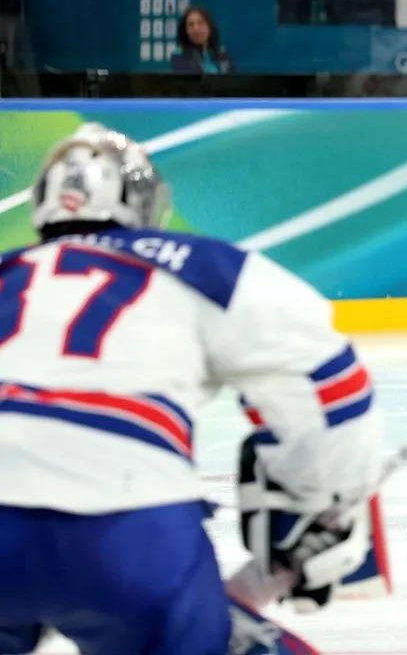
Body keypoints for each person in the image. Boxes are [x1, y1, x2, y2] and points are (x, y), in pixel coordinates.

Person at [0, 124, 383, 653]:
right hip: (125, 524)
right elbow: (328, 379)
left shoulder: (8, 271)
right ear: (143, 202)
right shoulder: (201, 265)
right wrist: (321, 508)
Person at [171, 5, 236, 74]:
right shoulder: (179, 55)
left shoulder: (221, 53)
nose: (195, 29)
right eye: (191, 25)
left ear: (209, 27)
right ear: (186, 31)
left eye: (200, 23)